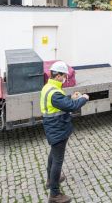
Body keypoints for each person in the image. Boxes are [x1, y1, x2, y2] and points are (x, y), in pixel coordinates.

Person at [40, 61, 89, 203]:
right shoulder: (55, 92)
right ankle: (54, 194)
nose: (65, 78)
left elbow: (61, 103)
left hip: (53, 127)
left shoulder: (48, 87)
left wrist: (70, 98)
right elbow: (72, 107)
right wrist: (83, 99)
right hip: (58, 128)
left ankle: (50, 179)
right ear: (58, 76)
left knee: (53, 155)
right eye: (64, 76)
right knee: (58, 161)